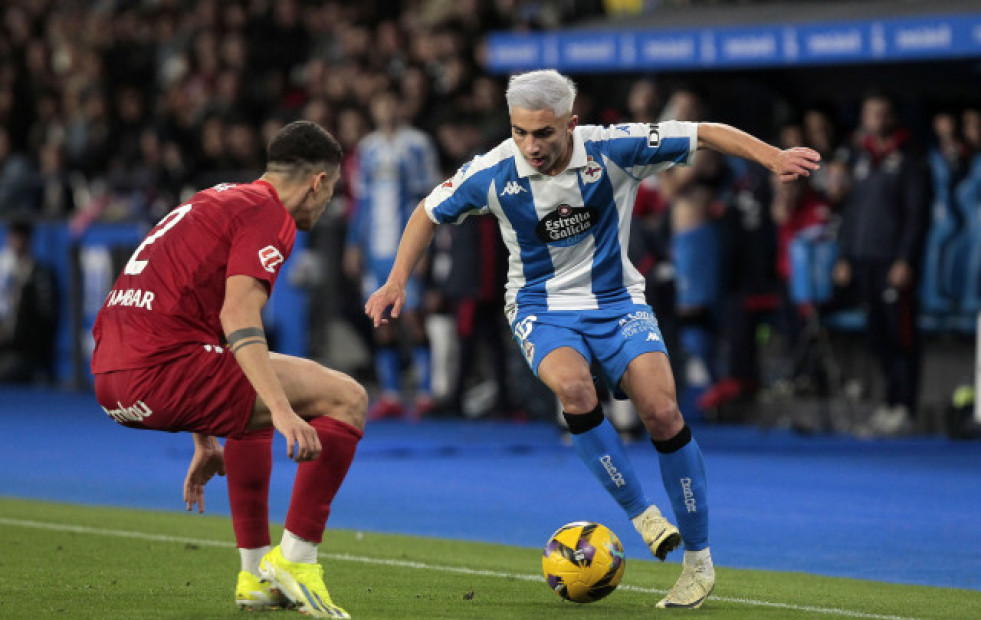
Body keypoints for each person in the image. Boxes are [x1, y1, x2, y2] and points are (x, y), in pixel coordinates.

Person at [365, 69, 820, 609]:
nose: (530, 146)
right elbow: (425, 212)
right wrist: (396, 280)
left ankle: (698, 560)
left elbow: (702, 132)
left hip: (618, 302)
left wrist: (770, 157)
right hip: (540, 308)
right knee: (575, 390)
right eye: (520, 132)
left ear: (571, 124)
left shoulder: (612, 148)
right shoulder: (491, 171)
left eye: (544, 133)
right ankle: (642, 514)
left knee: (664, 414)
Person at [91, 121, 366, 619]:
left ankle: (255, 575)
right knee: (346, 398)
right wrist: (283, 412)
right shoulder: (270, 214)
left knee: (248, 388)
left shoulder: (214, 200)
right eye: (331, 194)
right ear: (317, 182)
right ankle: (298, 561)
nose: (325, 208)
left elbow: (192, 320)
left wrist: (204, 438)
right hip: (161, 369)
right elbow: (237, 316)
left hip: (110, 379)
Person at [832, 92, 929, 436]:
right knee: (877, 335)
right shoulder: (860, 158)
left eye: (883, 114)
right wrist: (844, 254)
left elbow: (917, 216)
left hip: (893, 261)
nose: (877, 120)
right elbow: (851, 211)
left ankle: (904, 406)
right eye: (870, 114)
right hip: (863, 259)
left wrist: (905, 259)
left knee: (899, 334)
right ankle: (888, 402)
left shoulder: (909, 158)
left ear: (893, 118)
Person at [344, 89, 441, 420]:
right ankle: (391, 395)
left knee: (413, 318)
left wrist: (426, 246)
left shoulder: (417, 144)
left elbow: (429, 197)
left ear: (400, 105)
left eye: (390, 100)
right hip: (375, 249)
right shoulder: (367, 149)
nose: (384, 107)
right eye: (379, 101)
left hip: (405, 250)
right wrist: (353, 244)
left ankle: (427, 392)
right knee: (379, 319)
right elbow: (361, 201)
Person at [0, 218, 58, 383]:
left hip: (26, 353)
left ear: (28, 240)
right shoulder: (6, 272)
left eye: (20, 238)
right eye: (13, 237)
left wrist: (17, 337)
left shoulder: (40, 275)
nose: (16, 243)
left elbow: (47, 320)